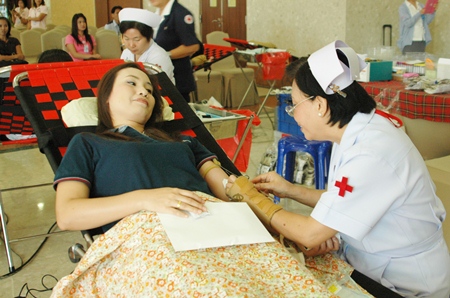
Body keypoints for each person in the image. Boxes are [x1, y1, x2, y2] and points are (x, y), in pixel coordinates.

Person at [225, 40, 450, 297]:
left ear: (320, 105)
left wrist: (252, 199)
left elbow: (310, 234)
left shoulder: (370, 151)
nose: (293, 115)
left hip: (405, 283)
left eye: (294, 105)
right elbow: (345, 199)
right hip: (372, 262)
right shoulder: (356, 129)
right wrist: (289, 190)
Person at [54, 62, 229, 233]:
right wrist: (144, 199)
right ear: (106, 97)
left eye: (150, 90)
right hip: (149, 242)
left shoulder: (185, 142)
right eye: (131, 83)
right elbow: (67, 215)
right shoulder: (88, 143)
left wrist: (247, 191)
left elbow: (227, 191)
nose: (144, 91)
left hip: (215, 228)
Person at [150, 0, 200, 102]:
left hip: (178, 77)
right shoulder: (157, 13)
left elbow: (192, 46)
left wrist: (164, 55)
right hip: (160, 76)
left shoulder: (180, 14)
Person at [118, 8, 175, 85]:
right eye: (126, 38)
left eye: (137, 39)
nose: (131, 45)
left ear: (148, 37)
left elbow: (158, 88)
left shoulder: (159, 56)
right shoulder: (126, 53)